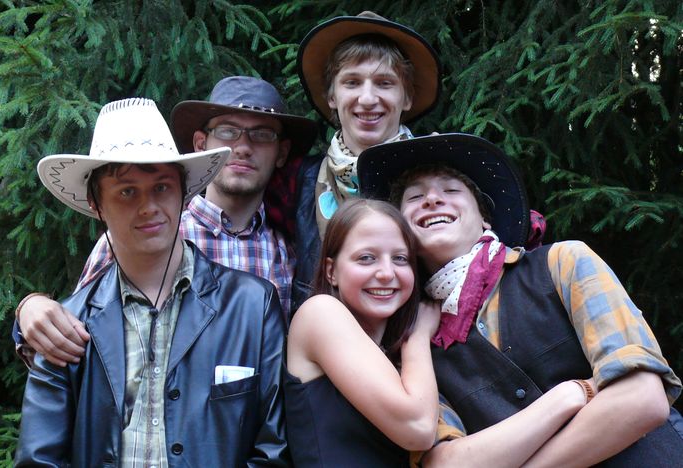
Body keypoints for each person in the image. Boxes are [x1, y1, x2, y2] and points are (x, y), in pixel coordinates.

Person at [357, 133, 683, 466]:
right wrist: (569, 395)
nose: (431, 199)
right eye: (414, 197)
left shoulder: (562, 263)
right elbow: (445, 463)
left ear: (484, 218)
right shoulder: (416, 353)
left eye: (451, 190)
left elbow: (642, 398)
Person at [15, 98, 288, 466]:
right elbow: (39, 459)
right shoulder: (69, 327)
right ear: (96, 203)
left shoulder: (253, 305)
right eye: (127, 191)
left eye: (161, 187)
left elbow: (274, 450)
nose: (148, 207)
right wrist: (28, 306)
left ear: (183, 193)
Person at [14, 76, 317, 367]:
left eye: (262, 134)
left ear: (282, 153)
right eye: (227, 131)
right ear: (201, 144)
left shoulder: (289, 251)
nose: (243, 146)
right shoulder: (145, 233)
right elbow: (73, 332)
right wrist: (30, 308)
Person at [292, 11, 441, 310]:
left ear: (407, 98)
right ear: (332, 96)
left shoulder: (440, 174)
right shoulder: (297, 180)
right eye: (352, 82)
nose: (368, 99)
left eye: (384, 83)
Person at [285, 198, 441, 466]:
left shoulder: (393, 352)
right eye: (366, 258)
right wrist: (417, 336)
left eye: (400, 258)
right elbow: (419, 429)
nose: (386, 273)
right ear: (331, 271)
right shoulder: (320, 313)